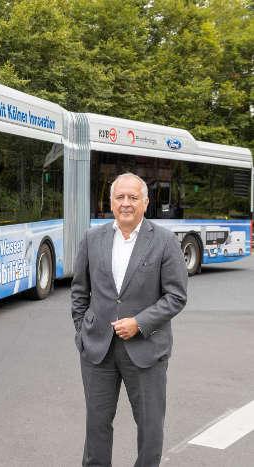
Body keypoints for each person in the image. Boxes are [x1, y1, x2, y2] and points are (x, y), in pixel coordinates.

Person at [71, 173, 187, 467]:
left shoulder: (164, 241)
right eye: (120, 197)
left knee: (150, 431)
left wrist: (140, 322)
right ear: (110, 202)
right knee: (96, 428)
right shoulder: (92, 238)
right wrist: (82, 333)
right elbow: (79, 291)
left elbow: (176, 295)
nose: (126, 203)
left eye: (133, 198)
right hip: (98, 351)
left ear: (145, 203)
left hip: (146, 350)